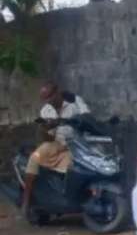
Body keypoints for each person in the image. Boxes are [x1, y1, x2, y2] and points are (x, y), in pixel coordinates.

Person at [21, 81, 90, 218]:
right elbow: (47, 139)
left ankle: (76, 199)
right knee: (35, 158)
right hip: (56, 143)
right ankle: (26, 200)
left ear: (57, 92)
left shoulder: (75, 102)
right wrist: (45, 129)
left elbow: (88, 119)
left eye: (50, 96)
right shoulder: (46, 111)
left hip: (77, 143)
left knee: (78, 168)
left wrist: (76, 121)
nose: (48, 101)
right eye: (45, 99)